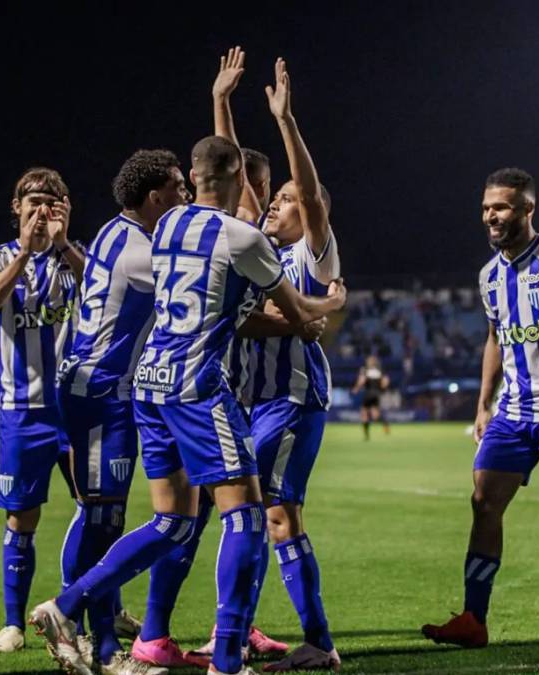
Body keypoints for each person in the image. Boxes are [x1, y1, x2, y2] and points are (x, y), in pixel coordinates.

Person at [30, 133, 345, 675]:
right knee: (245, 516)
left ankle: (65, 605)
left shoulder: (166, 225)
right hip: (198, 385)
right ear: (235, 178)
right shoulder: (244, 239)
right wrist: (333, 301)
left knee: (172, 522)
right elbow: (296, 312)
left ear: (195, 176)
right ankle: (227, 662)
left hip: (150, 383)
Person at [421, 168, 539, 648]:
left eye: (501, 207)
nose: (490, 216)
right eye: (486, 207)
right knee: (483, 503)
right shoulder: (489, 275)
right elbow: (495, 339)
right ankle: (473, 619)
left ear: (528, 208)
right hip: (513, 412)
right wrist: (484, 403)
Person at [55, 149, 190, 675]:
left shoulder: (116, 233)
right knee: (101, 514)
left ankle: (94, 623)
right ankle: (85, 636)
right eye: (178, 187)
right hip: (100, 390)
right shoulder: (141, 252)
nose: (185, 195)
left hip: (105, 390)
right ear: (155, 196)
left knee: (104, 512)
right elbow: (196, 292)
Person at [240, 58, 342, 672]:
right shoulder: (259, 250)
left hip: (293, 400)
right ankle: (260, 632)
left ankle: (315, 642)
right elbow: (236, 181)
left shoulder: (313, 253)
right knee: (263, 513)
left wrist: (286, 121)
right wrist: (222, 102)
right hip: (261, 402)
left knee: (271, 511)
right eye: (272, 199)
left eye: (286, 200)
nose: (275, 205)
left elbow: (306, 190)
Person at [0, 167, 85, 654]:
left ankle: (80, 608)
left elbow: (103, 296)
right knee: (22, 518)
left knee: (98, 509)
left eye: (51, 201)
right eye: (32, 201)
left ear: (65, 209)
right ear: (16, 208)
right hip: (23, 413)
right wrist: (23, 253)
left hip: (76, 407)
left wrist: (60, 244)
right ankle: (14, 624)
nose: (41, 210)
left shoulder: (77, 256)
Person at [351, 355, 390, 439]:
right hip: (377, 393)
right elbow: (385, 381)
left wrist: (356, 388)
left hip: (368, 393)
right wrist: (383, 389)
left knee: (364, 413)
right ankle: (385, 423)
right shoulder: (379, 371)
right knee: (375, 416)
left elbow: (362, 380)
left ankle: (366, 435)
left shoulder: (365, 370)